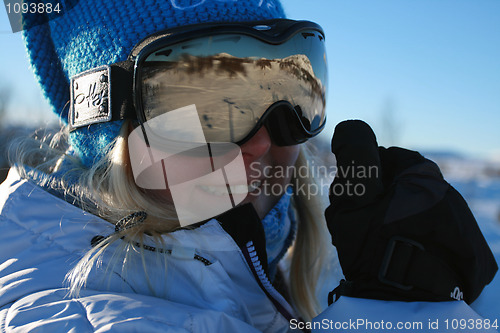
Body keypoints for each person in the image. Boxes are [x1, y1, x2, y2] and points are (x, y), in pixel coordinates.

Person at [0, 0, 497, 332]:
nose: (262, 139)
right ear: (106, 118)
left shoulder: (285, 263)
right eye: (208, 105)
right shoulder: (64, 311)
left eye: (287, 90)